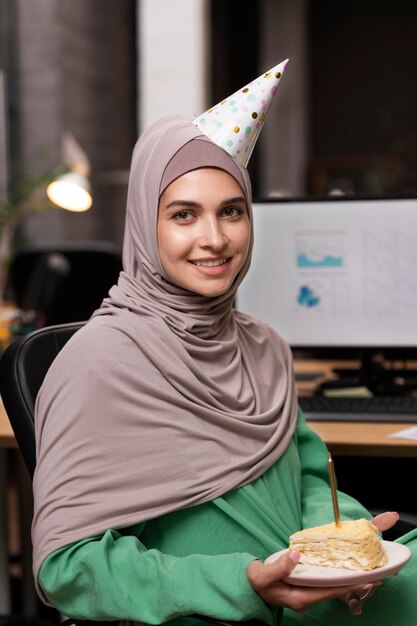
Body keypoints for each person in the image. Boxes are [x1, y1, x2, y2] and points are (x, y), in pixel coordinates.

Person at [32, 62, 417, 626]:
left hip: (320, 594)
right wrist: (241, 584)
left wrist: (351, 550)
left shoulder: (261, 345)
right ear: (145, 224)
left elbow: (309, 481)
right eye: (183, 215)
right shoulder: (98, 363)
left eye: (231, 211)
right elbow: (65, 568)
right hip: (225, 612)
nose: (214, 239)